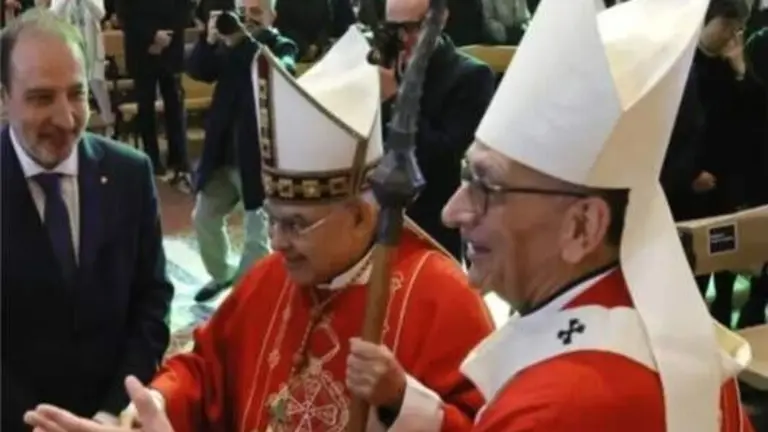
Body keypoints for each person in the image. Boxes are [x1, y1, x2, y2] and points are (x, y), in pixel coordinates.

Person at [25, 26, 494, 432]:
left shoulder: (441, 299)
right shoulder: (271, 280)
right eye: (272, 217)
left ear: (360, 215)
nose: (276, 241)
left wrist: (400, 401)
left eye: (296, 224)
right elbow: (205, 370)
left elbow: (482, 421)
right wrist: (149, 410)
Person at [441, 0, 757, 430]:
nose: (451, 211)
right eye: (465, 176)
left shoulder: (559, 409)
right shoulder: (666, 325)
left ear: (583, 226)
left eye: (486, 185)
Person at [0, 10, 173, 431]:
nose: (66, 119)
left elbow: (151, 303)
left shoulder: (130, 174)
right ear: (4, 97)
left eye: (76, 94)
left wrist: (110, 413)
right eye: (42, 98)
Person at [188, 2, 298, 303]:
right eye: (243, 9)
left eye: (256, 11)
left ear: (273, 15)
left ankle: (247, 297)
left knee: (255, 236)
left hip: (256, 159)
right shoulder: (228, 45)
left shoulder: (280, 44)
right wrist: (209, 40)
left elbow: (282, 70)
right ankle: (222, 275)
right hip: (221, 154)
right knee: (204, 217)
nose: (248, 17)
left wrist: (249, 41)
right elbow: (198, 70)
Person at [382, 0, 496, 261]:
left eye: (414, 28)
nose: (404, 39)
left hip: (433, 222)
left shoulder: (470, 76)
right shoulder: (383, 68)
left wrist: (395, 100)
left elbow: (443, 158)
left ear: (441, 18)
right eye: (394, 29)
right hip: (374, 216)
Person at [115, 0, 191, 181]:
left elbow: (185, 6)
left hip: (171, 45)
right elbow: (125, 13)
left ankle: (178, 158)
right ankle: (152, 158)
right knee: (145, 105)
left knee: (174, 103)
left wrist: (167, 37)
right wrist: (151, 36)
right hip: (142, 48)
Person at [46, 0, 115, 136]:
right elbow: (54, 15)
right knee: (74, 87)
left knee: (97, 85)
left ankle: (109, 123)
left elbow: (100, 14)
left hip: (92, 47)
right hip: (70, 48)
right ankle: (78, 125)